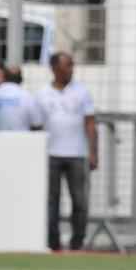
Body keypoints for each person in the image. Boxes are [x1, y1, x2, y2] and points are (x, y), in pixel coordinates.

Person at [34, 52, 98, 252]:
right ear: (54, 68)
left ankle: (76, 243)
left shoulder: (82, 92)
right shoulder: (42, 93)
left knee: (80, 201)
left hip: (77, 154)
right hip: (50, 153)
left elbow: (90, 123)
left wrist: (93, 152)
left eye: (71, 65)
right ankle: (53, 243)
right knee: (51, 201)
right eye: (66, 66)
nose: (70, 69)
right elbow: (36, 125)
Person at [0, 60, 40, 132]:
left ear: (4, 77)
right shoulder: (27, 96)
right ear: (21, 79)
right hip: (21, 140)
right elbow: (37, 123)